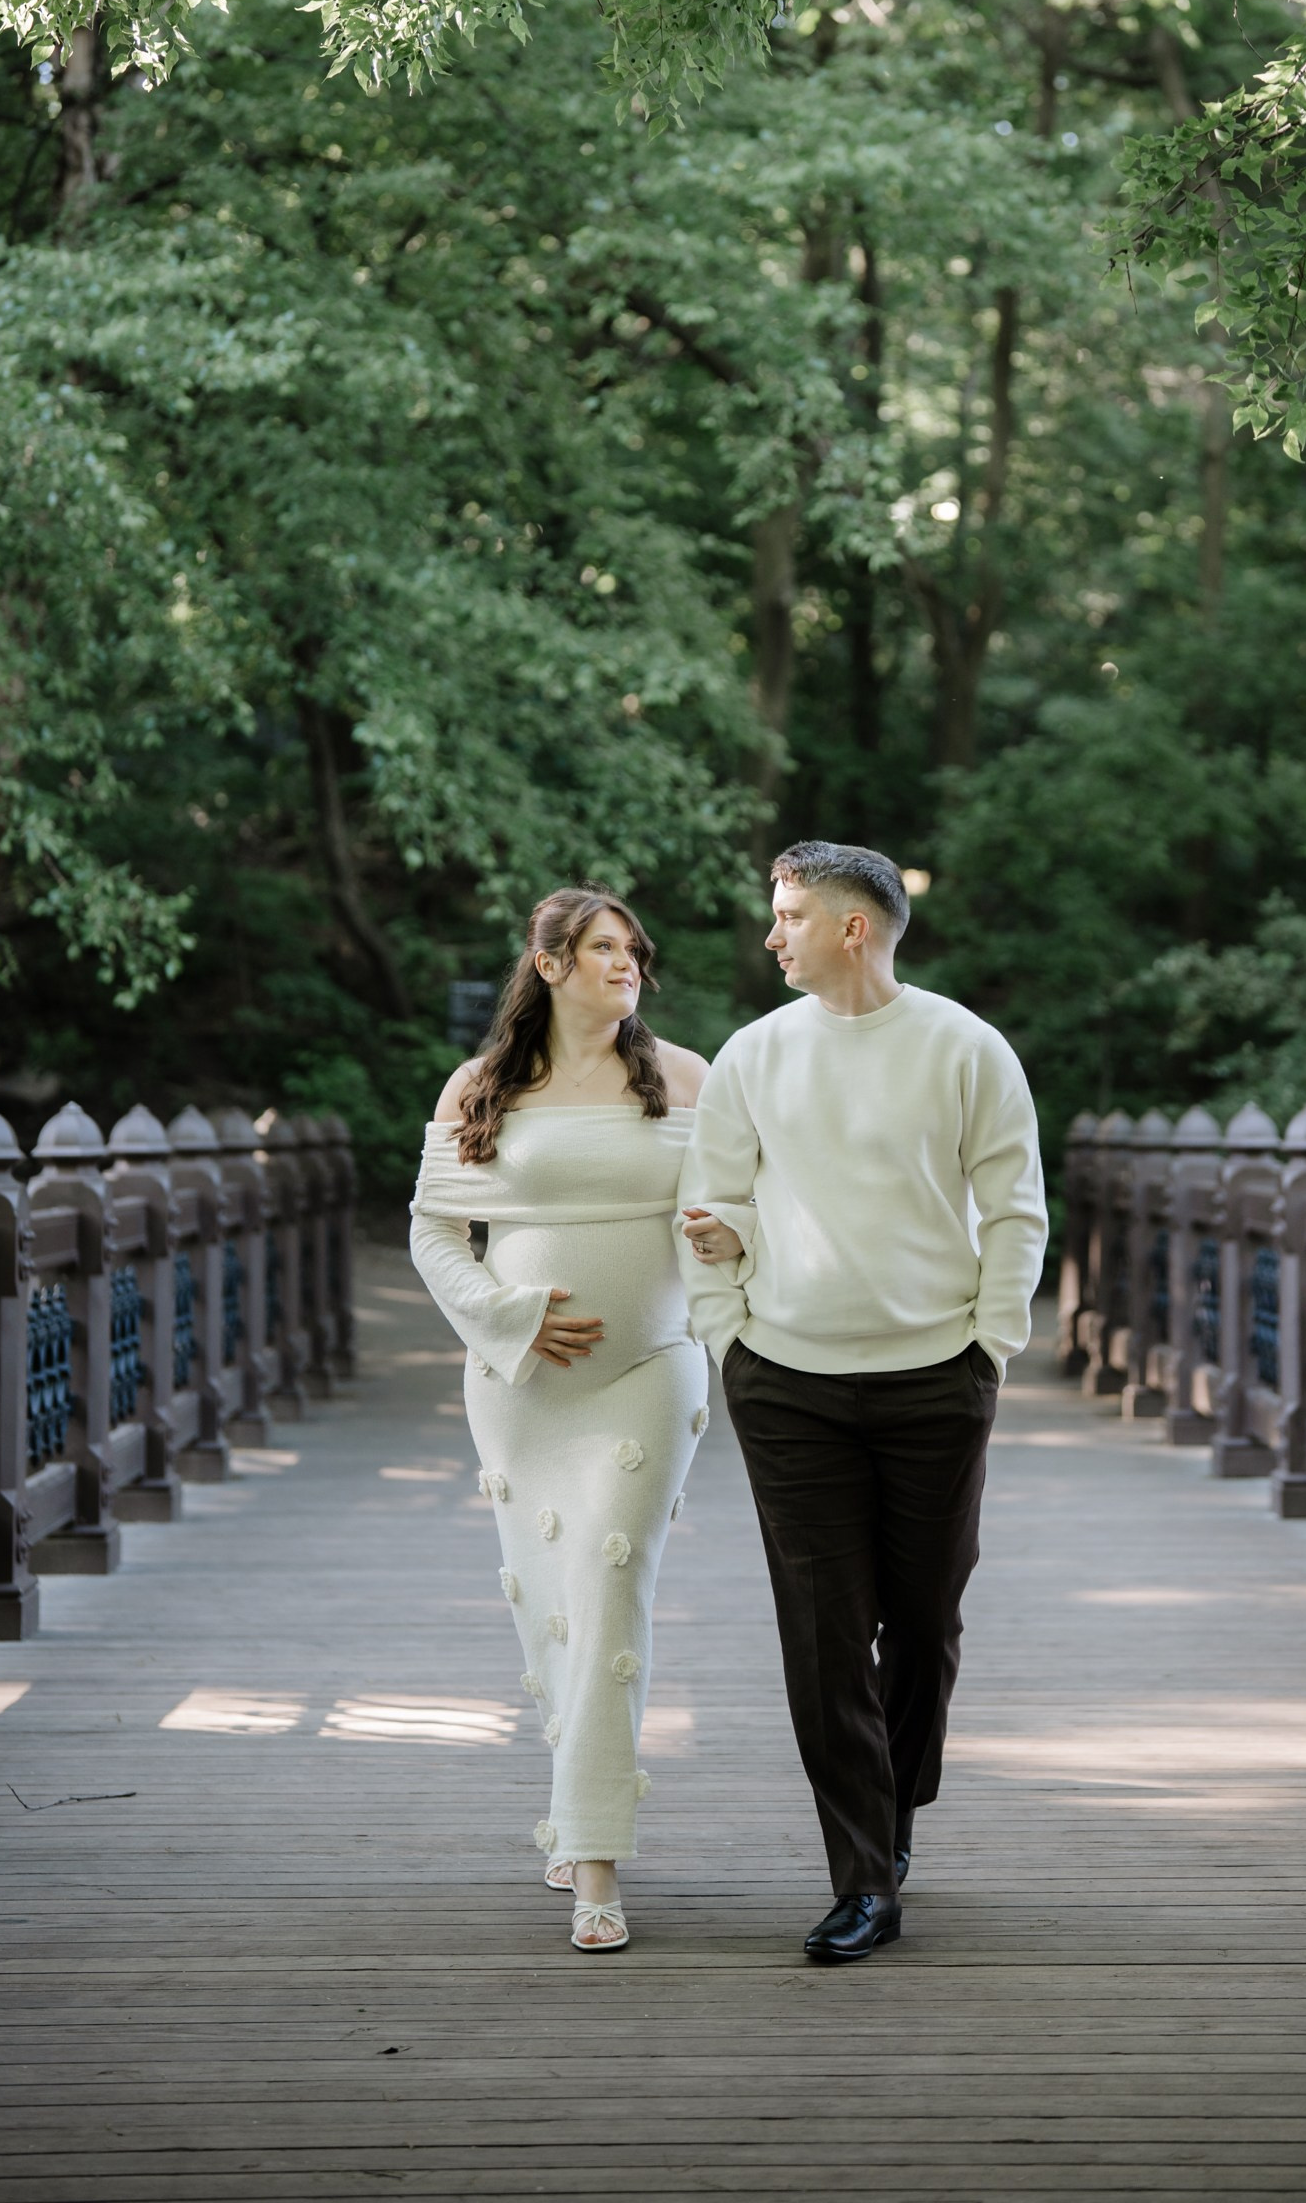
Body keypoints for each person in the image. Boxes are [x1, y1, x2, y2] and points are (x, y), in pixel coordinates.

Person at [677, 839, 1046, 1964]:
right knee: (827, 1635)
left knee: (922, 1624)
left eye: (787, 915)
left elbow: (1014, 1208)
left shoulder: (963, 1049)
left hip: (938, 1380)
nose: (769, 934)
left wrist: (989, 1348)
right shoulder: (752, 1055)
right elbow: (709, 1201)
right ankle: (862, 1877)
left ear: (851, 927)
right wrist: (724, 1331)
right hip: (785, 1385)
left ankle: (887, 1818)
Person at [410, 888, 711, 1953]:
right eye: (599, 950)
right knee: (550, 1601)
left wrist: (721, 1243)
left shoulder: (683, 1078)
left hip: (649, 1371)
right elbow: (435, 1233)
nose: (622, 965)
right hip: (520, 1387)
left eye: (630, 951)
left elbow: (737, 1209)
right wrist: (510, 1316)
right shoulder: (481, 1085)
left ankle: (594, 1858)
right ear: (546, 964)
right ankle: (570, 1798)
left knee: (608, 1580)